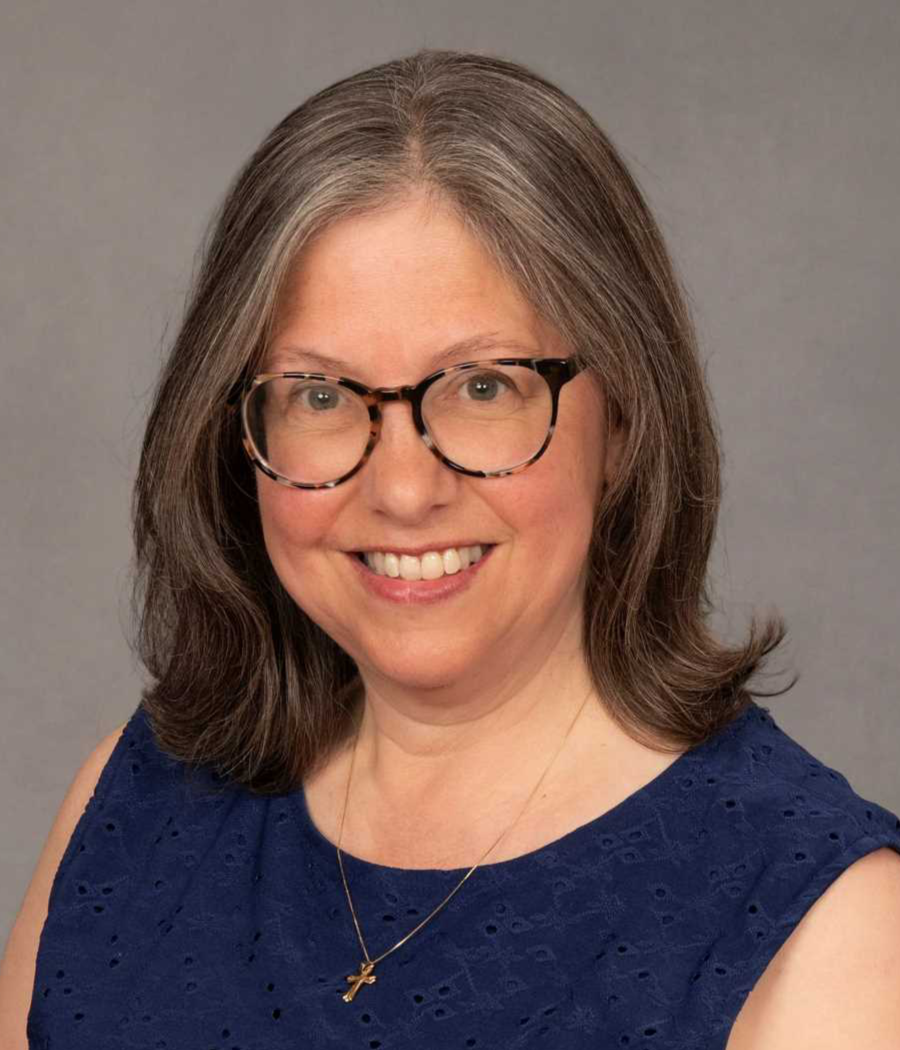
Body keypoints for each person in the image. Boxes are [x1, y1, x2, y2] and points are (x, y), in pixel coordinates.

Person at [3, 48, 899, 1050]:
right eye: (320, 396)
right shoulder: (130, 808)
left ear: (629, 420)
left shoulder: (830, 932)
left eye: (482, 387)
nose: (402, 490)